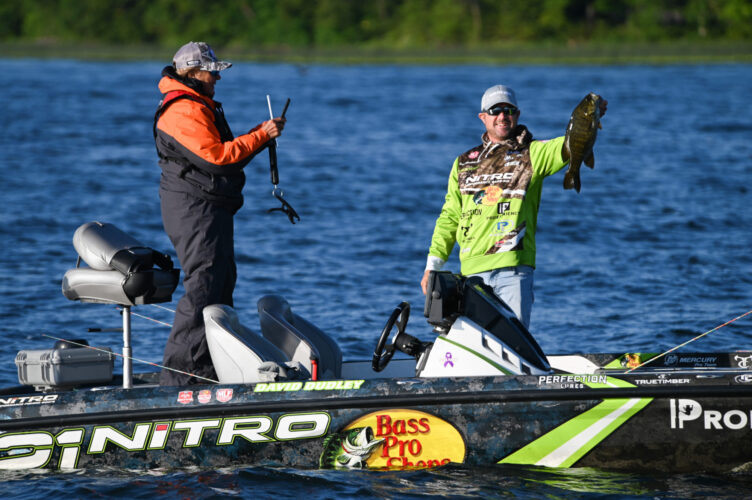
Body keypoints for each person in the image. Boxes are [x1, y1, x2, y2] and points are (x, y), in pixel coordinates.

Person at [420, 85, 607, 329]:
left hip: (514, 272)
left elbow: (568, 145)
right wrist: (432, 266)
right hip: (471, 274)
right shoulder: (464, 163)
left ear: (517, 115)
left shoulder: (533, 153)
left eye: (508, 110)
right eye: (495, 110)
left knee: (513, 348)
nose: (502, 116)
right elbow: (450, 217)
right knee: (479, 350)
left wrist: (590, 118)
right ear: (483, 117)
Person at [154, 41, 286, 385]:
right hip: (194, 209)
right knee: (204, 285)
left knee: (220, 282)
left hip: (207, 207)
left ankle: (208, 369)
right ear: (191, 73)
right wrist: (260, 136)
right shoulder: (182, 109)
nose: (216, 79)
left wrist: (260, 137)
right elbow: (217, 158)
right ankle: (181, 377)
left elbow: (223, 157)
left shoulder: (197, 105)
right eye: (211, 72)